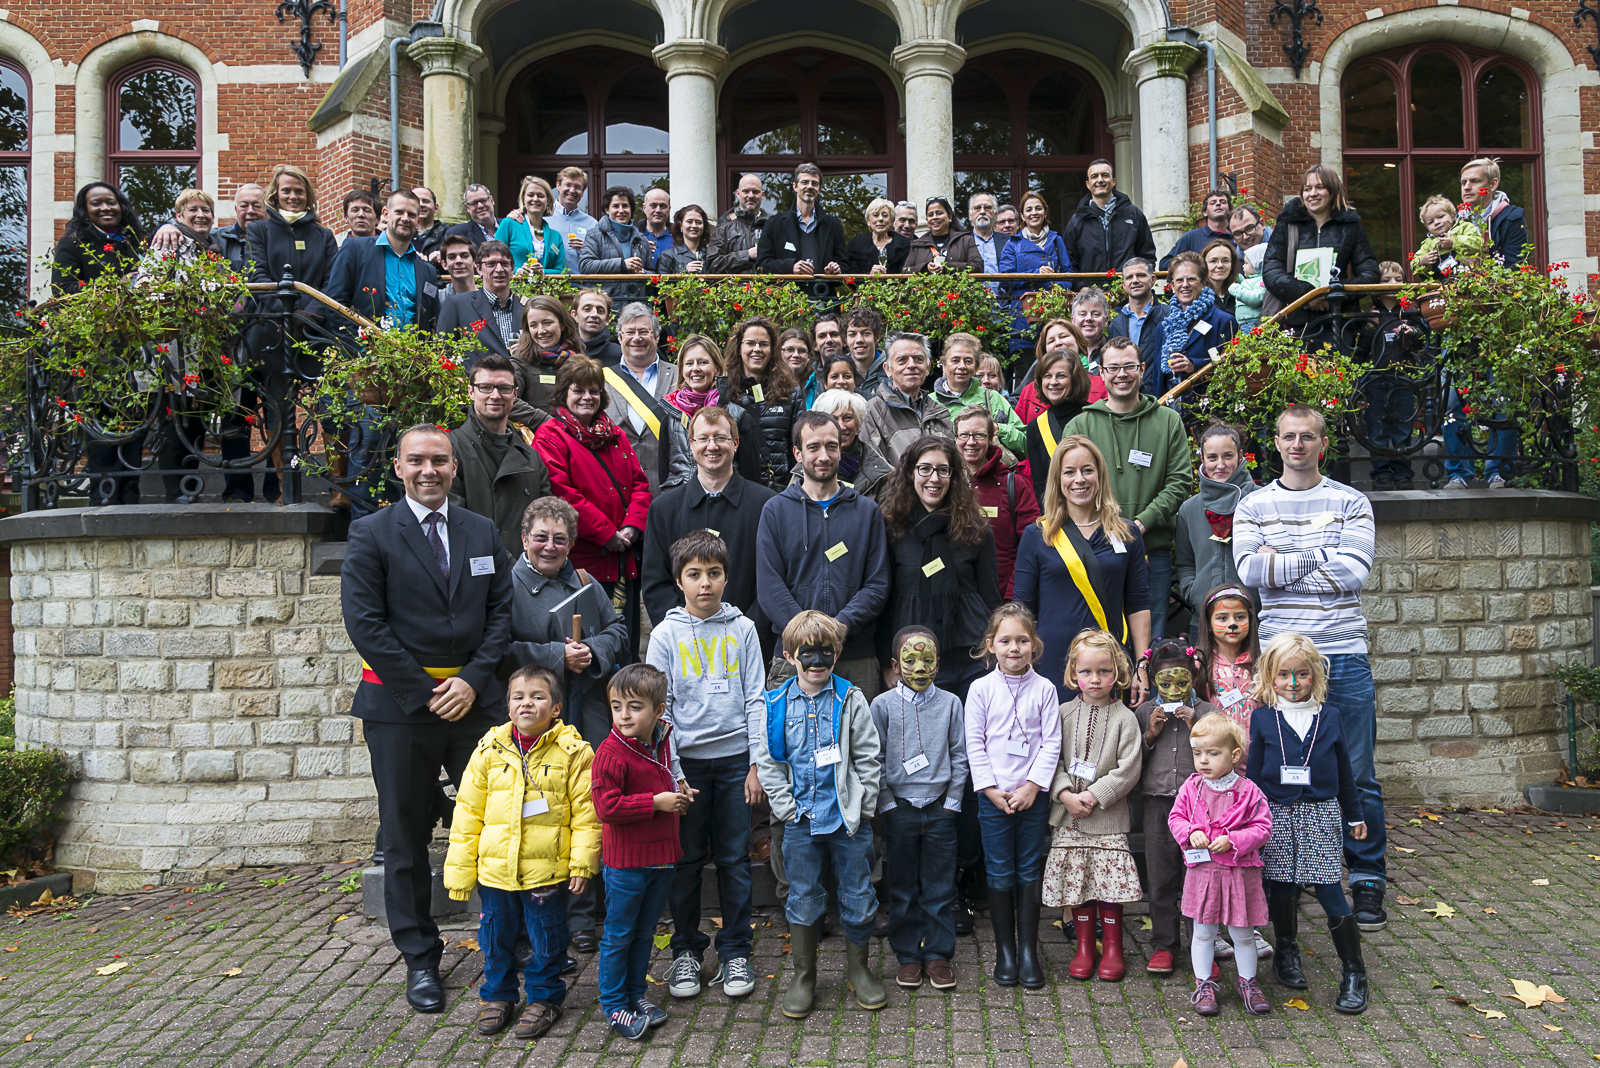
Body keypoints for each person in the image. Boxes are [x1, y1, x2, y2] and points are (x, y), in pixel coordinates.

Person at [340, 423, 514, 1015]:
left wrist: (471, 681)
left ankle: (503, 944)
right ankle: (420, 958)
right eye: (417, 462)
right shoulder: (370, 534)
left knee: (497, 826)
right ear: (398, 468)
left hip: (475, 704)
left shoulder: (481, 530)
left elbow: (501, 614)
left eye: (439, 460)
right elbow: (366, 624)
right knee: (407, 837)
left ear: (454, 468)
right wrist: (426, 690)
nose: (429, 471)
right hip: (400, 709)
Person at [1232, 405, 1386, 932]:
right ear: (1275, 442)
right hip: (1281, 663)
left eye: (1308, 437)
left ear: (1323, 443)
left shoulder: (1352, 501)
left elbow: (1355, 572)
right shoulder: (1253, 504)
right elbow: (1251, 571)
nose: (1297, 445)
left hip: (1341, 656)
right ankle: (1290, 875)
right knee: (1282, 775)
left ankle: (1366, 881)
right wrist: (1321, 555)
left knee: (1357, 775)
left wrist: (1288, 560)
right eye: (1289, 437)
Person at [443, 662, 601, 1039]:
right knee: (495, 936)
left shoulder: (575, 753)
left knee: (547, 937)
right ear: (508, 706)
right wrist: (461, 871)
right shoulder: (488, 751)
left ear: (556, 708)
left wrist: (582, 864)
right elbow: (467, 815)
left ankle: (545, 998)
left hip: (545, 871)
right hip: (495, 872)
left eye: (537, 696)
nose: (526, 703)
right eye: (518, 697)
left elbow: (586, 814)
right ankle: (498, 995)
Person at [503, 495, 629, 956]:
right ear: (524, 538)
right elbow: (498, 648)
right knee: (538, 813)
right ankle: (534, 915)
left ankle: (581, 916)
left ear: (572, 543)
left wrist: (592, 650)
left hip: (584, 715)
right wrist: (557, 655)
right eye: (541, 537)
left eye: (560, 539)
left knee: (584, 814)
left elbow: (618, 630)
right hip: (534, 722)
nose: (550, 546)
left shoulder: (584, 583)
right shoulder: (506, 586)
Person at [646, 531, 768, 1003]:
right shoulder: (666, 634)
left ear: (726, 577)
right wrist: (672, 772)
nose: (705, 584)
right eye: (694, 575)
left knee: (735, 860)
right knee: (687, 861)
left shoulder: (743, 630)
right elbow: (661, 709)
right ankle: (687, 951)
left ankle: (736, 949)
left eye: (713, 574)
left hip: (736, 761)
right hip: (688, 768)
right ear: (679, 580)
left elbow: (757, 697)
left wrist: (756, 765)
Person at [755, 610, 886, 1018]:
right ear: (790, 655)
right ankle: (804, 975)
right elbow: (768, 761)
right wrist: (786, 808)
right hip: (799, 822)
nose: (816, 663)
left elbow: (868, 755)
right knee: (804, 897)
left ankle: (859, 969)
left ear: (837, 653)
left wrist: (864, 807)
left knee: (859, 895)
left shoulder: (851, 699)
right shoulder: (774, 703)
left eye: (825, 653)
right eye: (806, 654)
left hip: (848, 821)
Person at [1245, 633, 1370, 1015]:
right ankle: (1286, 952)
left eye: (1301, 674)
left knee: (1330, 886)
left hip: (1320, 812)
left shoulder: (1328, 716)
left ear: (1315, 675)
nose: (1293, 683)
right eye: (1284, 675)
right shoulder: (1264, 718)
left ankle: (1354, 972)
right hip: (1276, 813)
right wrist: (1246, 819)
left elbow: (1346, 772)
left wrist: (1355, 814)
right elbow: (1251, 776)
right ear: (1270, 677)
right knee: (1281, 885)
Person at [1065, 336, 1195, 641]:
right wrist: (1104, 529)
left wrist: (1138, 526)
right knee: (1093, 638)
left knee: (1150, 641)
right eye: (1113, 368)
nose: (1121, 374)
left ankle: (1146, 690)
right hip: (1093, 550)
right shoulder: (1080, 426)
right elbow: (1069, 485)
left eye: (1129, 366)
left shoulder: (1168, 421)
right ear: (1100, 372)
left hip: (1153, 552)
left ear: (1143, 368)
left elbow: (1180, 482)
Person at [756, 410, 890, 698]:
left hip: (855, 656)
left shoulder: (867, 512)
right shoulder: (775, 511)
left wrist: (839, 627)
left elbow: (877, 585)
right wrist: (805, 631)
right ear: (797, 453)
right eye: (813, 447)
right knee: (788, 742)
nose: (824, 456)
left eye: (831, 446)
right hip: (794, 657)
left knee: (857, 742)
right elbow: (769, 586)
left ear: (841, 449)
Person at [964, 603, 1061, 987]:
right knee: (999, 869)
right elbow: (974, 743)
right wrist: (989, 789)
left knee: (1028, 868)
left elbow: (1051, 742)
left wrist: (1033, 786)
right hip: (994, 799)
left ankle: (1027, 951)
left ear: (1034, 645)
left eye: (1022, 640)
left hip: (1031, 798)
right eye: (1005, 640)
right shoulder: (980, 689)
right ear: (991, 645)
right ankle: (1006, 951)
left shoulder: (1046, 689)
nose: (1014, 648)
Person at [1013, 434, 1153, 699]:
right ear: (1057, 479)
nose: (1079, 479)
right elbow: (1023, 609)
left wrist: (1141, 664)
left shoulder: (1127, 533)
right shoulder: (1037, 535)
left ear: (1100, 476)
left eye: (1087, 470)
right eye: (1069, 472)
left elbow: (1138, 603)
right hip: (1051, 662)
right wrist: (1021, 664)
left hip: (1108, 664)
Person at [591, 663, 686, 1040]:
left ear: (658, 712)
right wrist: (656, 803)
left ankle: (635, 993)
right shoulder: (610, 753)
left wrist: (680, 790)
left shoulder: (661, 741)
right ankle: (614, 1004)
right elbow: (607, 807)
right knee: (619, 933)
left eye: (634, 707)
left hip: (662, 857)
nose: (624, 715)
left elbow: (664, 780)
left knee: (646, 931)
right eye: (616, 707)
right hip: (628, 864)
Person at [871, 627, 968, 992]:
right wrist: (888, 805)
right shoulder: (881, 706)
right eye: (910, 660)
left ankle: (939, 954)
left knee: (940, 885)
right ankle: (909, 954)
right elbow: (874, 757)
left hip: (941, 807)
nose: (919, 666)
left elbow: (960, 755)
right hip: (901, 810)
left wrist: (953, 803)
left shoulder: (950, 704)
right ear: (896, 665)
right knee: (903, 887)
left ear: (938, 664)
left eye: (927, 659)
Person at [1046, 629, 1144, 984]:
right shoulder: (1061, 713)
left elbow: (1129, 766)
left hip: (1108, 819)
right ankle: (1085, 948)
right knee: (1079, 884)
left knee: (1108, 886)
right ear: (1074, 673)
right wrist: (1065, 794)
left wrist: (1095, 794)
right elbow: (1049, 760)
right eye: (1086, 671)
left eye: (1103, 671)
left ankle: (1114, 948)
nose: (1095, 679)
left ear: (1117, 672)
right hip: (1068, 818)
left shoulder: (1125, 718)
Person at [877, 435, 1002, 694]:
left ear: (953, 476)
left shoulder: (975, 527)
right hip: (914, 660)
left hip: (973, 658)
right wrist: (886, 663)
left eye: (943, 470)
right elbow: (885, 601)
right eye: (925, 469)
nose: (934, 478)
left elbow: (991, 597)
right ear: (911, 473)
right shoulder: (892, 528)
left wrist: (995, 650)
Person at [1170, 713, 1273, 1016]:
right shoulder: (1191, 788)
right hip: (1204, 873)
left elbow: (1263, 827)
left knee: (1242, 932)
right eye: (1197, 753)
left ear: (1235, 755)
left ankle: (1249, 981)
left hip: (1239, 873)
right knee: (1203, 933)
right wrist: (1192, 831)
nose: (1203, 761)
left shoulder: (1249, 791)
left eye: (1213, 753)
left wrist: (1234, 840)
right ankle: (1203, 984)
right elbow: (1176, 818)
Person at [641, 403, 775, 630]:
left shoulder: (767, 505)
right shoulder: (663, 509)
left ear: (735, 443)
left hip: (748, 641)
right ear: (691, 446)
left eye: (720, 438)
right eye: (703, 439)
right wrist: (682, 630)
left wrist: (747, 632)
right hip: (683, 642)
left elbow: (773, 580)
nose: (711, 446)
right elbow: (656, 583)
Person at [1131, 639, 1221, 978]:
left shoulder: (1208, 713)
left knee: (1200, 878)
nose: (1173, 688)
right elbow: (1132, 760)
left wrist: (1194, 727)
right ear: (1153, 679)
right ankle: (1163, 946)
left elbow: (1219, 753)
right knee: (1160, 877)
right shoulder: (1143, 712)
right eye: (1165, 682)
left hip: (1201, 807)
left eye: (1181, 681)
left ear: (1194, 676)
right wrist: (1151, 733)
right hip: (1157, 805)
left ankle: (1203, 945)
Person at [53, 182, 147, 502]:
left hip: (136, 347)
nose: (106, 208)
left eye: (111, 202)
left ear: (120, 205)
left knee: (137, 417)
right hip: (96, 349)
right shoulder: (74, 242)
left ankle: (130, 493)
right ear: (85, 209)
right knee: (100, 420)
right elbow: (63, 292)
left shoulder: (133, 241)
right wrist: (113, 289)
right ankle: (103, 494)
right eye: (97, 204)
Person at [532, 357, 652, 594]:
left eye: (594, 391)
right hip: (582, 563)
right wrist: (607, 534)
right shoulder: (549, 435)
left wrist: (633, 525)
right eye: (578, 390)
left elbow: (639, 483)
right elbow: (562, 494)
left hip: (622, 557)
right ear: (564, 393)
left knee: (624, 629)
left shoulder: (615, 434)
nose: (587, 397)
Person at [449, 354, 554, 554]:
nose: (495, 395)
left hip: (524, 573)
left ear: (515, 394)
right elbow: (456, 521)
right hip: (475, 569)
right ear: (471, 392)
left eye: (504, 388)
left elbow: (545, 520)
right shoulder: (451, 449)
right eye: (486, 387)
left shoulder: (530, 455)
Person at [1261, 165, 1380, 327]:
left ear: (1333, 190)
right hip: (1294, 322)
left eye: (1320, 187)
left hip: (1339, 322)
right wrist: (1307, 294)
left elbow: (1370, 273)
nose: (1312, 193)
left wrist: (1335, 293)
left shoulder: (1351, 226)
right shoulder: (1287, 224)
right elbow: (1271, 271)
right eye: (1307, 188)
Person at [1175, 424, 1258, 640]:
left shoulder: (1261, 500)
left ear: (1240, 456)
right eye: (1212, 457)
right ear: (1202, 458)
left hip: (1254, 620)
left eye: (1227, 456)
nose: (1220, 465)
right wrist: (1195, 593)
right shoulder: (1189, 509)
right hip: (1203, 622)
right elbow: (1185, 563)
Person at [324, 189, 442, 332]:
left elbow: (432, 320)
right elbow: (335, 304)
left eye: (411, 215)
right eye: (399, 212)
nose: (405, 218)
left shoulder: (427, 270)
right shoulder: (355, 249)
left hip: (413, 352)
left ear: (419, 221)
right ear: (386, 214)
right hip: (366, 351)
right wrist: (358, 348)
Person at [956, 406, 1039, 599]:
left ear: (991, 437)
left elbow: (1032, 546)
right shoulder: (945, 485)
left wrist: (1013, 598)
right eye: (964, 435)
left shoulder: (1015, 485)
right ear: (955, 438)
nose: (971, 442)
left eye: (978, 435)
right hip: (958, 601)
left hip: (1003, 600)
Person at [605, 302, 680, 494]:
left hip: (669, 490)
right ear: (620, 337)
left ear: (656, 336)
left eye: (644, 332)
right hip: (617, 490)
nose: (636, 338)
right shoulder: (600, 380)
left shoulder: (680, 376)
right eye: (630, 332)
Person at [1359, 261, 1422, 490]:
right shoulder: (1370, 314)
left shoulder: (1411, 313)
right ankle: (1382, 473)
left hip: (1403, 378)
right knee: (1377, 429)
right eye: (1386, 280)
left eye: (1397, 279)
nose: (1393, 284)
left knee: (1404, 428)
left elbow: (1422, 344)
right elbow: (1360, 351)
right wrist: (1368, 329)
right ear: (1376, 285)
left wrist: (1411, 333)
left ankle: (1403, 473)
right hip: (1376, 379)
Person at [1146, 251, 1237, 399]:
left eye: (1191, 279)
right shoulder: (1164, 327)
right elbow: (1158, 376)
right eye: (1179, 280)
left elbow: (1228, 366)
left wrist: (1193, 365)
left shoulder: (1223, 321)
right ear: (1172, 285)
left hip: (1207, 409)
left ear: (1204, 282)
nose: (1185, 285)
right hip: (1170, 408)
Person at [861, 332, 956, 467]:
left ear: (927, 368)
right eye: (902, 360)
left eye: (918, 359)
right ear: (887, 369)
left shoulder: (940, 413)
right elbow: (874, 471)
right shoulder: (873, 412)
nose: (912, 365)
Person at [727, 316, 797, 488]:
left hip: (779, 490)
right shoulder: (725, 392)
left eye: (764, 344)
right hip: (738, 490)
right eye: (750, 343)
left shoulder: (790, 392)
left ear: (772, 349)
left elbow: (798, 445)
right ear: (739, 348)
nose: (757, 349)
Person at [932, 332, 1027, 457]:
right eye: (955, 360)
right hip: (946, 474)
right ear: (944, 365)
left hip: (989, 474)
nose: (962, 366)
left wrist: (999, 429)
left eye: (968, 361)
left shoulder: (993, 398)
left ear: (975, 366)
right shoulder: (930, 402)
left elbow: (1025, 444)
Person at [998, 191, 1073, 346]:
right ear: (1023, 216)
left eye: (1038, 208)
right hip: (1023, 317)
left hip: (1054, 313)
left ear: (1045, 212)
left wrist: (1057, 285)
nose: (1034, 213)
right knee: (1025, 364)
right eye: (1029, 209)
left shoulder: (1057, 240)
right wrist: (1036, 275)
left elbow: (1069, 275)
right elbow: (1005, 280)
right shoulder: (1013, 244)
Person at [1024, 348, 1098, 504]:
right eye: (1047, 376)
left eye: (1061, 376)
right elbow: (1041, 487)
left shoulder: (1095, 417)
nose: (1053, 382)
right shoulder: (1036, 427)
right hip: (1059, 518)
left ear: (1075, 379)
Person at [1062, 160, 1157, 280]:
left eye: (1105, 175)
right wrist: (1080, 287)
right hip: (1090, 294)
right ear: (1088, 184)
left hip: (1128, 292)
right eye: (1094, 176)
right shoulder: (1077, 220)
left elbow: (1147, 255)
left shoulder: (1133, 215)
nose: (1100, 180)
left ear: (1113, 181)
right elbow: (1069, 261)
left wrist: (1139, 283)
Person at [438, 239, 523, 365]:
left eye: (504, 264)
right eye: (491, 264)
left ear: (512, 268)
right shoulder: (457, 304)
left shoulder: (526, 307)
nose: (499, 269)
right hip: (475, 383)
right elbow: (443, 354)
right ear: (478, 268)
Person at [757, 163, 845, 276]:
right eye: (804, 182)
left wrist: (836, 268)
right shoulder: (774, 224)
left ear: (819, 189)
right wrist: (790, 267)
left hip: (824, 292)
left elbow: (844, 264)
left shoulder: (833, 225)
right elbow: (762, 265)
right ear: (795, 187)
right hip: (786, 292)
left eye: (814, 183)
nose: (809, 186)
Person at [803, 389, 893, 500]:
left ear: (858, 423)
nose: (841, 426)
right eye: (833, 419)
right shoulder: (805, 466)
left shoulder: (882, 474)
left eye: (848, 418)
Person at [509, 294, 585, 423]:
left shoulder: (579, 360)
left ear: (562, 324)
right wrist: (549, 422)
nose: (541, 331)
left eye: (547, 323)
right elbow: (509, 401)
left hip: (578, 437)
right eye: (533, 325)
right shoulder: (519, 363)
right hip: (538, 439)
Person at [1197, 584, 1262, 731]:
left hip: (1254, 747)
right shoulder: (1198, 664)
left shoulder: (1262, 663)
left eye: (1240, 617)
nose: (1232, 624)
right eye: (1222, 618)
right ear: (1208, 624)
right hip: (1215, 747)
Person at [1014, 318, 1103, 423]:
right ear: (1044, 350)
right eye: (1051, 341)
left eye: (1063, 336)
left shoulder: (1101, 385)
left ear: (1078, 341)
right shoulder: (1029, 391)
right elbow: (1019, 432)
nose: (1058, 343)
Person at [580, 186, 652, 302]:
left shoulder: (641, 239)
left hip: (635, 304)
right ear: (607, 210)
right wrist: (621, 265)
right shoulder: (594, 235)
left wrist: (644, 273)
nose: (621, 210)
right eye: (615, 206)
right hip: (605, 304)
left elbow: (651, 271)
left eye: (625, 206)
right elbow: (586, 265)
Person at [1460, 156, 1528, 268]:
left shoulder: (1511, 218)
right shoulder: (1454, 220)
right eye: (1463, 182)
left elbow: (1515, 268)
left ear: (1493, 185)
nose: (1467, 187)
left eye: (1475, 181)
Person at [1106, 257, 1170, 370]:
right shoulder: (1115, 323)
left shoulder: (1168, 316)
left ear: (1153, 279)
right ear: (1124, 285)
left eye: (1141, 275)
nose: (1135, 280)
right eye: (1129, 277)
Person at [495, 176, 566, 275]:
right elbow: (494, 259)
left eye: (541, 196)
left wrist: (543, 272)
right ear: (523, 199)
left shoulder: (556, 236)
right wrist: (518, 271)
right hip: (513, 288)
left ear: (548, 201)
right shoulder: (508, 224)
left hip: (547, 290)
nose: (535, 199)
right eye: (530, 195)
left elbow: (561, 270)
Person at [706, 173, 768, 275]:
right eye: (746, 191)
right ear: (738, 194)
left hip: (769, 290)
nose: (751, 195)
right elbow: (712, 265)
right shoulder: (724, 229)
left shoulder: (773, 227)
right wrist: (746, 255)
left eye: (755, 191)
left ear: (762, 195)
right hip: (732, 290)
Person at [1161, 188, 1234, 271]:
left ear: (1230, 210)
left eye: (1223, 202)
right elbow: (1164, 264)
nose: (1218, 204)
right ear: (1205, 212)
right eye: (1213, 203)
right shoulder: (1191, 237)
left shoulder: (1237, 238)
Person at [947, 192, 1011, 278]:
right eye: (977, 208)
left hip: (1003, 291)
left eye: (987, 208)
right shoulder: (960, 242)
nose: (982, 212)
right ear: (970, 215)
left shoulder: (1008, 241)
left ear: (995, 215)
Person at [848, 196, 911, 275]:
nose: (880, 219)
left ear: (891, 221)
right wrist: (870, 277)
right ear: (868, 221)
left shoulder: (904, 244)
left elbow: (906, 274)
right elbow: (851, 276)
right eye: (875, 215)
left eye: (885, 215)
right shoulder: (857, 243)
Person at [904, 196, 964, 273]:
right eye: (930, 215)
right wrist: (925, 268)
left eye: (939, 213)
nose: (934, 217)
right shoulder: (918, 244)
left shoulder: (965, 240)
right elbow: (905, 271)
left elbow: (978, 265)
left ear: (950, 217)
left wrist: (947, 267)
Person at [548, 166, 599, 256]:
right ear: (558, 185)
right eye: (568, 185)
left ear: (583, 192)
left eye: (577, 187)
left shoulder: (592, 224)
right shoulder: (543, 216)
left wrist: (588, 249)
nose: (572, 190)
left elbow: (600, 258)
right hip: (549, 270)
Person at [845, 305, 887, 396]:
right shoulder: (839, 371)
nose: (859, 340)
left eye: (866, 333)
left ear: (877, 337)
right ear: (845, 339)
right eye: (852, 334)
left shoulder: (892, 369)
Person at [575, 287, 622, 364]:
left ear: (607, 318)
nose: (594, 314)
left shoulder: (620, 355)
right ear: (575, 315)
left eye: (600, 311)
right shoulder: (563, 353)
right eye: (587, 309)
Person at [658, 204, 709, 273]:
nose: (694, 226)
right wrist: (684, 272)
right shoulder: (667, 256)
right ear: (681, 226)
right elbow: (661, 282)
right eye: (689, 222)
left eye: (698, 222)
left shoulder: (711, 255)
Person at [1071, 287, 1114, 369]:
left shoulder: (1115, 353)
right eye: (1082, 314)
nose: (1088, 318)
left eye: (1096, 314)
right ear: (1073, 320)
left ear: (1106, 321)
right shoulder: (1064, 351)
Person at [446, 183, 499, 247]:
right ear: (467, 207)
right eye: (474, 203)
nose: (480, 206)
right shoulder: (457, 234)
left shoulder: (510, 225)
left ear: (492, 200)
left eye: (483, 200)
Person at [780, 328, 819, 407]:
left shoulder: (819, 386)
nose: (796, 355)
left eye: (802, 350)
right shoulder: (766, 384)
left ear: (808, 356)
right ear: (778, 353)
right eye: (789, 350)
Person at [1202, 239, 1241, 317]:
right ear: (1204, 265)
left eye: (1225, 260)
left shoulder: (1240, 293)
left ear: (1232, 265)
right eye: (1213, 261)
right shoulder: (1198, 296)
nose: (1220, 265)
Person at [1230, 205, 1271, 273]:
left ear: (1262, 224)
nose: (1245, 237)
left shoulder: (1285, 249)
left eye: (1249, 228)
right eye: (1237, 233)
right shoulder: (1234, 267)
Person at [412, 186, 449, 260]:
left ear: (436, 208)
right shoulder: (401, 234)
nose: (421, 204)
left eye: (426, 201)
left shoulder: (448, 235)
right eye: (416, 201)